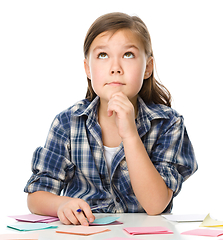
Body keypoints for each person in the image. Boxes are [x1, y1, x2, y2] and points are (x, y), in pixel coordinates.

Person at [24, 12, 198, 226]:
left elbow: (155, 205)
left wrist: (130, 135)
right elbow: (36, 196)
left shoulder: (168, 124)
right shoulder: (67, 123)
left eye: (128, 55)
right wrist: (61, 204)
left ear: (148, 67)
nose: (115, 68)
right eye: (103, 55)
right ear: (88, 68)